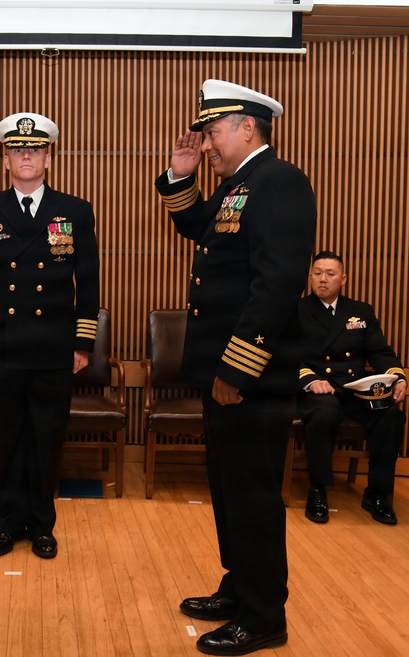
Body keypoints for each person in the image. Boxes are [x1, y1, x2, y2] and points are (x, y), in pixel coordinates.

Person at [154, 79, 315, 656]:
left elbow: (276, 286)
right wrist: (181, 178)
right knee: (228, 490)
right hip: (224, 374)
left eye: (212, 133)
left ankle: (264, 615)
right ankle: (240, 585)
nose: (206, 145)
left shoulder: (280, 182)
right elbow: (201, 228)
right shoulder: (239, 186)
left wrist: (237, 370)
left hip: (251, 378)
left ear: (247, 127)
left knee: (252, 496)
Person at [0, 112, 99, 560]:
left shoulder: (74, 211)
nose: (26, 156)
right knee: (7, 440)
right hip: (2, 346)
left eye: (35, 149)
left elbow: (89, 282)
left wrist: (82, 343)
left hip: (52, 348)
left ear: (48, 159)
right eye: (18, 150)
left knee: (46, 440)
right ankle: (7, 525)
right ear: (5, 160)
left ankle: (42, 525)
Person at [297, 251, 408, 526]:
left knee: (390, 415)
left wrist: (398, 377)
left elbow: (379, 351)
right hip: (317, 389)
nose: (323, 279)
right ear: (310, 276)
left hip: (355, 390)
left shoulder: (361, 311)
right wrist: (310, 379)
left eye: (330, 274)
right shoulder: (297, 310)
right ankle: (318, 490)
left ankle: (377, 493)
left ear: (343, 279)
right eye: (317, 273)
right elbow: (285, 354)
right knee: (324, 413)